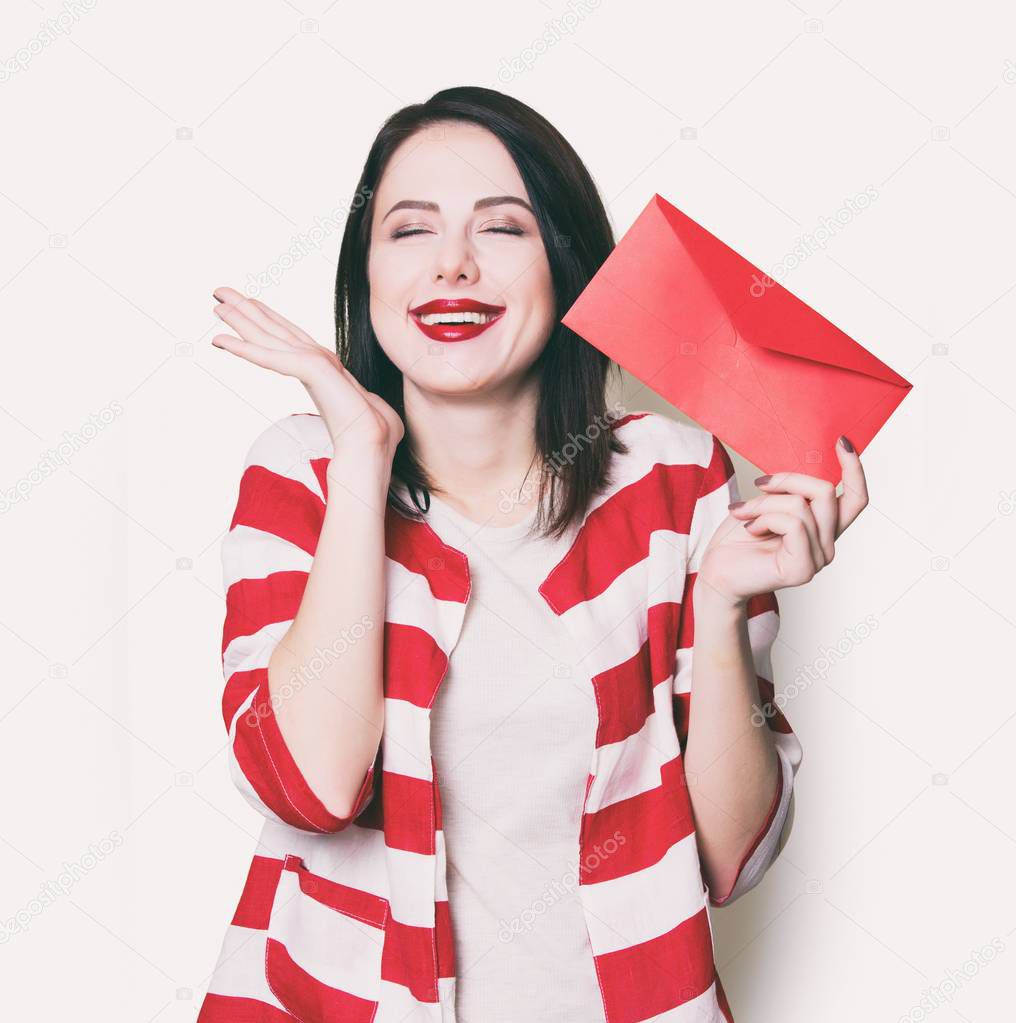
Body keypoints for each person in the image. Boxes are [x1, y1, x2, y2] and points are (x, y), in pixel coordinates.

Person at [198, 86, 867, 1023]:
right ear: (367, 275)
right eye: (411, 230)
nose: (454, 265)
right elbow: (309, 788)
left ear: (566, 266)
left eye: (501, 228)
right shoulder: (304, 472)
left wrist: (716, 607)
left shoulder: (674, 478)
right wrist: (362, 456)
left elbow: (730, 857)